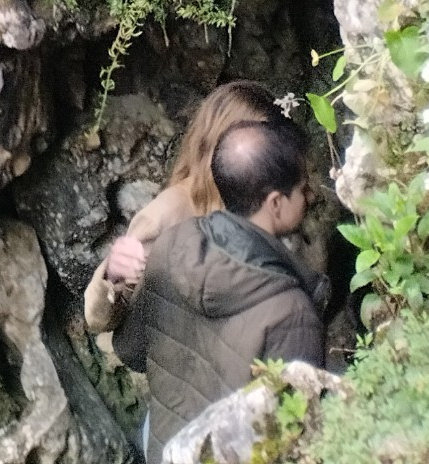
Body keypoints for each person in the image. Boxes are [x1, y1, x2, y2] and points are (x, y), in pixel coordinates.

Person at [113, 118, 325, 463]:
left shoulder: (172, 243)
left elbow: (131, 350)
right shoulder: (290, 312)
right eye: (302, 189)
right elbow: (292, 441)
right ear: (275, 203)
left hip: (166, 449)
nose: (311, 196)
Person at [84, 80, 278, 344]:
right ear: (218, 145)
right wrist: (112, 276)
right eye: (259, 146)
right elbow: (100, 319)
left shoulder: (253, 200)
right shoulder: (167, 214)